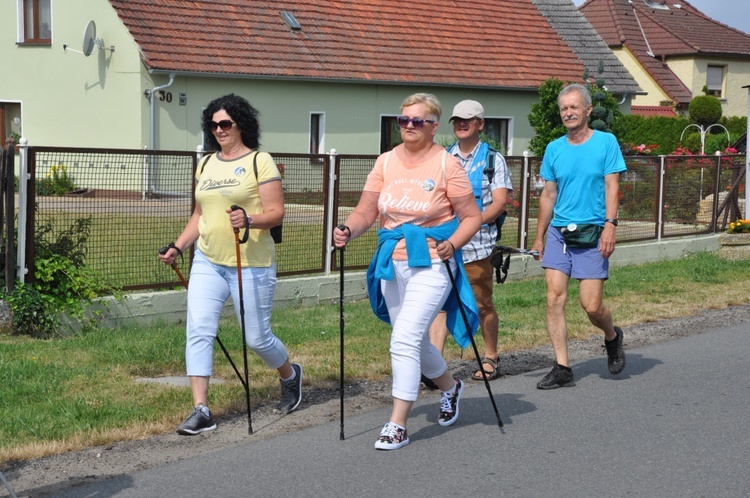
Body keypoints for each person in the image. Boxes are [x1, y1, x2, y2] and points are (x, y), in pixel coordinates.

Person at [333, 93, 482, 450]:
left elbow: (472, 216)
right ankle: (451, 387)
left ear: (433, 127)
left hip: (431, 262)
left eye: (417, 121)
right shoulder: (386, 161)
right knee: (411, 339)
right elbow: (367, 210)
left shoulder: (448, 165)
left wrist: (454, 243)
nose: (409, 127)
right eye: (403, 121)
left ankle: (396, 424)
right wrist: (348, 230)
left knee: (402, 340)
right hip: (393, 261)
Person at [159, 94, 302, 435]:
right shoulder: (206, 164)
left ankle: (290, 375)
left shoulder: (260, 161)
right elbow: (199, 214)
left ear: (241, 125)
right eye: (213, 124)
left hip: (250, 262)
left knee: (257, 338)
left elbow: (277, 212)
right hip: (208, 261)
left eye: (226, 123)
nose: (219, 130)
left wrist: (248, 219)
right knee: (199, 331)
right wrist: (179, 247)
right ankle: (201, 409)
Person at [530, 83, 627, 389]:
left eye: (574, 107)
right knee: (554, 297)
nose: (568, 113)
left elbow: (612, 187)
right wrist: (539, 236)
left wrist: (610, 225)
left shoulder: (606, 143)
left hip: (594, 231)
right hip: (560, 232)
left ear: (587, 110)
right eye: (564, 108)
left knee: (591, 306)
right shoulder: (554, 149)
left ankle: (612, 337)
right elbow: (548, 194)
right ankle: (562, 367)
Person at [427, 100, 512, 382]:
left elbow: (499, 203)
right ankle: (434, 367)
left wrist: (472, 223)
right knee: (439, 303)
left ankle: (491, 356)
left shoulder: (492, 160)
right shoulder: (442, 156)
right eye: (456, 120)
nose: (461, 124)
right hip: (445, 245)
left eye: (467, 119)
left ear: (480, 124)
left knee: (482, 303)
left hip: (478, 246)